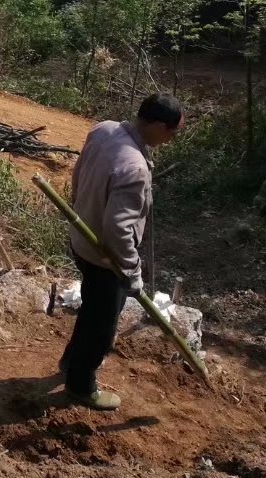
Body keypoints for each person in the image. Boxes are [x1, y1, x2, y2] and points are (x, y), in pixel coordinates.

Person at [59, 93, 185, 411]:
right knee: (102, 325)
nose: (171, 139)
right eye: (172, 132)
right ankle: (81, 384)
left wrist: (82, 207)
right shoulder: (134, 167)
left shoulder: (105, 129)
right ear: (157, 125)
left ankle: (71, 361)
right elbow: (118, 229)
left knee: (92, 309)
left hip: (82, 239)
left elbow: (78, 175)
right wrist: (131, 272)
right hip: (105, 257)